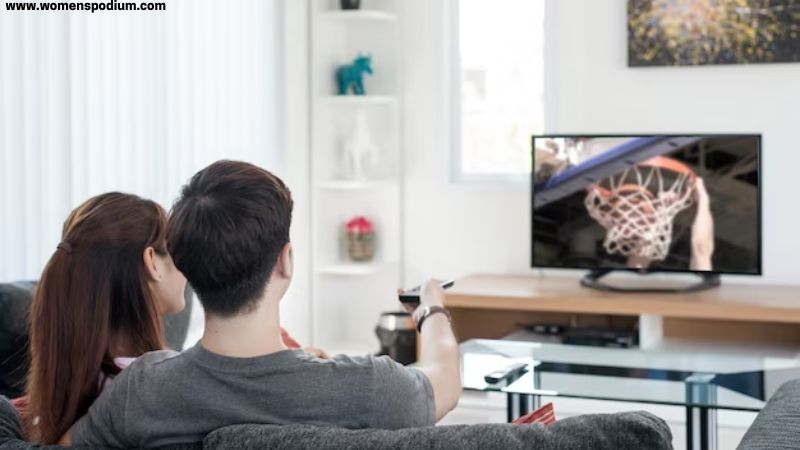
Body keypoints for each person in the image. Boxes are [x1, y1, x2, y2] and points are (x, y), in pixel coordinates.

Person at [67, 161, 461, 448]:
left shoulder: (143, 388)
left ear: (186, 268)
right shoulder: (369, 388)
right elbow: (445, 379)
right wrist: (430, 307)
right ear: (284, 261)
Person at [24, 193, 187, 445]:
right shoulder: (159, 388)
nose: (186, 268)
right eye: (177, 251)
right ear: (152, 261)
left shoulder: (64, 384)